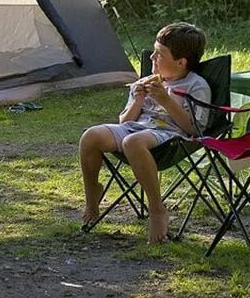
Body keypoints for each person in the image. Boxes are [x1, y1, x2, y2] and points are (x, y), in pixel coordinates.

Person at [78, 22, 210, 243]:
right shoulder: (143, 83)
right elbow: (125, 121)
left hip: (171, 136)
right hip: (136, 129)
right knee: (91, 135)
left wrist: (166, 101)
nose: (151, 59)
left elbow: (195, 129)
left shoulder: (196, 86)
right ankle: (93, 193)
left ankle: (157, 210)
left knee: (132, 142)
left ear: (180, 62)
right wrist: (138, 99)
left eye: (158, 55)